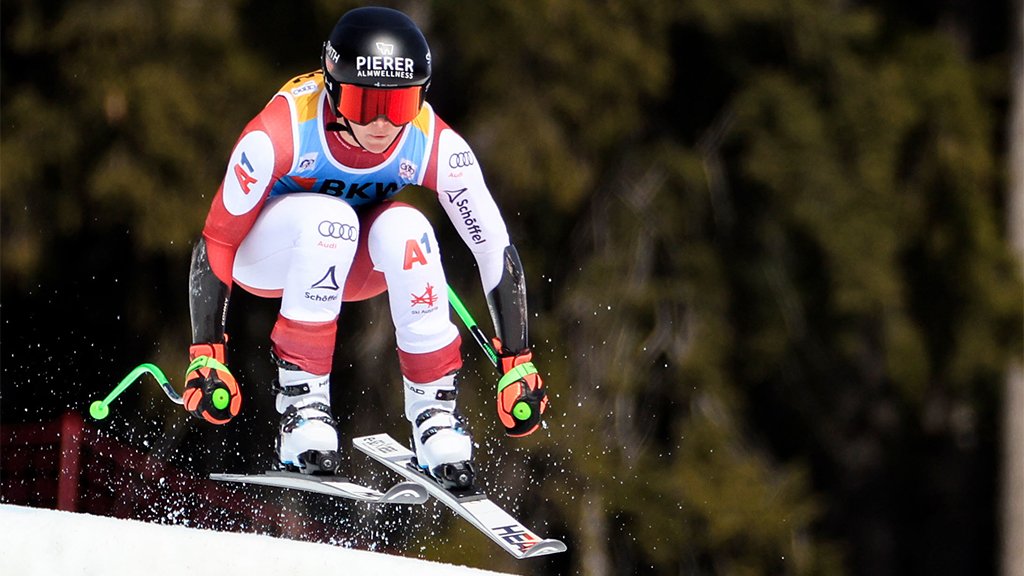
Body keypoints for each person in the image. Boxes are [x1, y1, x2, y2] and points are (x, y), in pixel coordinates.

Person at [181, 6, 547, 489]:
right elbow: (218, 241)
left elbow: (493, 247)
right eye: (363, 103)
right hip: (266, 256)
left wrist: (518, 361)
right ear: (333, 90)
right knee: (328, 218)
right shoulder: (281, 132)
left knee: (411, 228)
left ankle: (434, 416)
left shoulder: (431, 142)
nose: (381, 125)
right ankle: (303, 407)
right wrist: (207, 352)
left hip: (344, 261)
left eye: (398, 107)